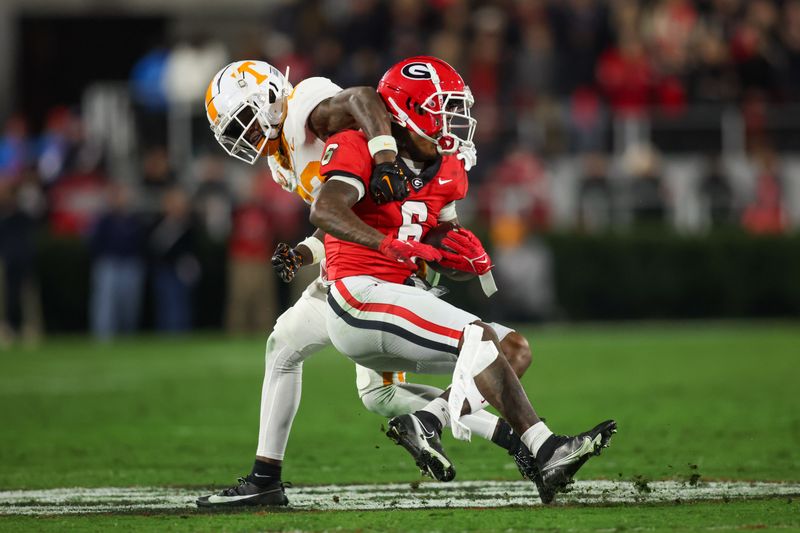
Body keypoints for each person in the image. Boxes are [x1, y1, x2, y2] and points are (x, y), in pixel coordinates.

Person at [196, 60, 534, 507]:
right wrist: (305, 252)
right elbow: (341, 213)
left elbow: (364, 97)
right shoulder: (283, 160)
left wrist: (385, 158)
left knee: (451, 361)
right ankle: (265, 478)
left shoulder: (305, 107)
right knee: (315, 363)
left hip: (381, 270)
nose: (245, 135)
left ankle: (516, 436)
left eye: (244, 119)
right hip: (352, 263)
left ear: (271, 96)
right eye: (234, 131)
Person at [311, 56, 616, 504]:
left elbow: (433, 236)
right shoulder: (359, 145)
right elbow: (324, 210)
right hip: (356, 296)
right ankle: (547, 448)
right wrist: (383, 243)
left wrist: (458, 251)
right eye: (443, 107)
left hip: (398, 299)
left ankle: (429, 421)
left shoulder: (449, 166)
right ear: (408, 110)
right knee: (477, 339)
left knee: (512, 349)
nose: (456, 118)